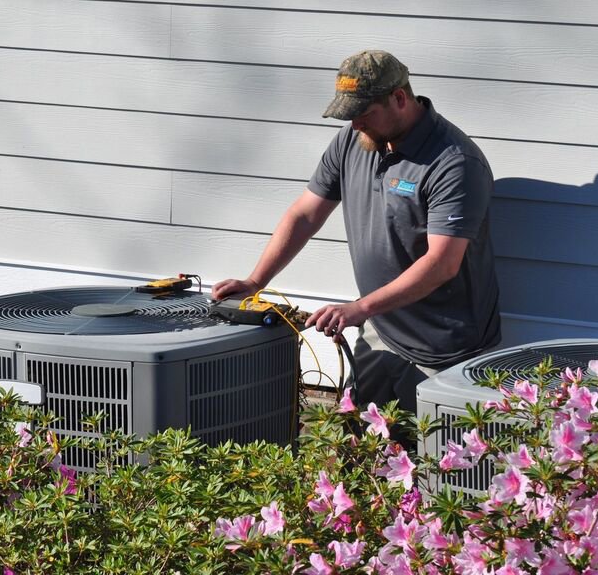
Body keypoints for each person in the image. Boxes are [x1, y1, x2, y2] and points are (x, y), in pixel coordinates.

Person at [212, 50, 501, 416]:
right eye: (349, 115)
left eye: (363, 114)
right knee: (367, 449)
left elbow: (442, 264)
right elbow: (305, 215)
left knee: (438, 461)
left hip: (446, 349)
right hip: (380, 332)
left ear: (399, 99)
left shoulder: (454, 162)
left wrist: (359, 308)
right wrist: (256, 280)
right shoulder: (353, 142)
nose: (355, 125)